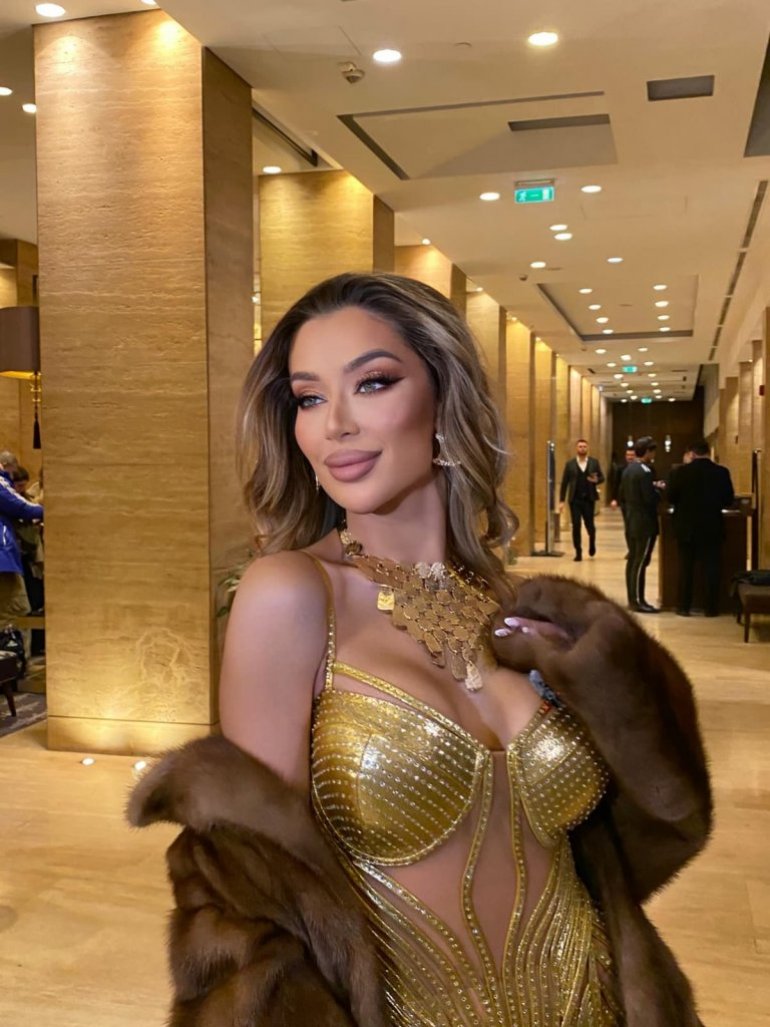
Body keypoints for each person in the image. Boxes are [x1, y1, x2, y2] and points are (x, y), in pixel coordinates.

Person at [129, 273, 711, 1027]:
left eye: (371, 383)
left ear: (444, 397)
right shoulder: (293, 594)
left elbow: (644, 828)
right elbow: (253, 893)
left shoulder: (507, 606)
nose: (335, 424)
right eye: (309, 398)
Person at [668, 441, 735, 617]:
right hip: (711, 526)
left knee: (686, 567)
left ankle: (684, 606)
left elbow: (671, 497)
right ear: (708, 452)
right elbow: (728, 499)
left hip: (686, 527)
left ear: (692, 453)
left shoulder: (679, 472)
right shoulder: (721, 472)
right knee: (712, 568)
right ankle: (711, 608)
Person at [618, 436, 664, 613]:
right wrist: (658, 490)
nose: (654, 455)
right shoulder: (645, 471)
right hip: (644, 522)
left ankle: (633, 598)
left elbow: (624, 495)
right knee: (640, 561)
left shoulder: (629, 469)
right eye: (653, 452)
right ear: (647, 452)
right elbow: (649, 499)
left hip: (631, 519)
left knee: (633, 561)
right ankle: (638, 600)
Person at [0, 453, 43, 626]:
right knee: (14, 608)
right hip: (3, 557)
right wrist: (50, 510)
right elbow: (22, 506)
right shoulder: (1, 482)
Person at [559, 439, 605, 561]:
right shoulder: (570, 464)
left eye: (584, 446)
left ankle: (592, 542)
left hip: (589, 499)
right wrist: (562, 500)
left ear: (587, 448)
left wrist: (596, 480)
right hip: (575, 499)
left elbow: (602, 477)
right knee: (576, 525)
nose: (582, 448)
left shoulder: (594, 463)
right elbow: (565, 482)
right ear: (576, 448)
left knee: (590, 524)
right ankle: (578, 551)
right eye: (580, 446)